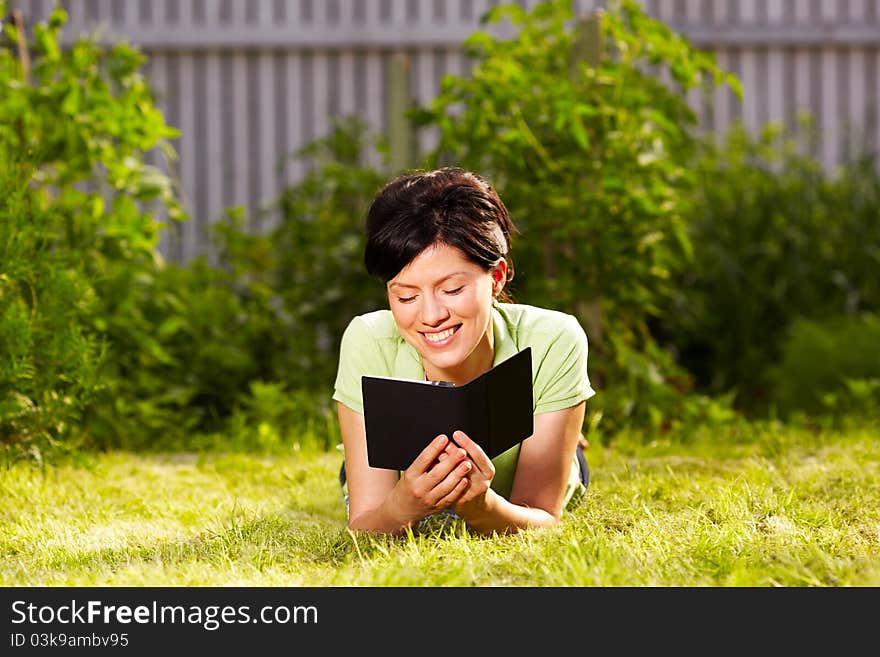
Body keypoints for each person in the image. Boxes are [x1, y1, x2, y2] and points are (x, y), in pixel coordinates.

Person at [332, 167, 596, 536]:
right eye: (405, 296)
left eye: (452, 290)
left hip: (521, 490)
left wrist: (482, 507)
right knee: (361, 467)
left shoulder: (553, 338)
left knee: (562, 456)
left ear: (497, 277)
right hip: (398, 482)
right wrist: (404, 504)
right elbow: (364, 529)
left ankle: (561, 430)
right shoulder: (369, 339)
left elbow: (542, 520)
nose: (431, 316)